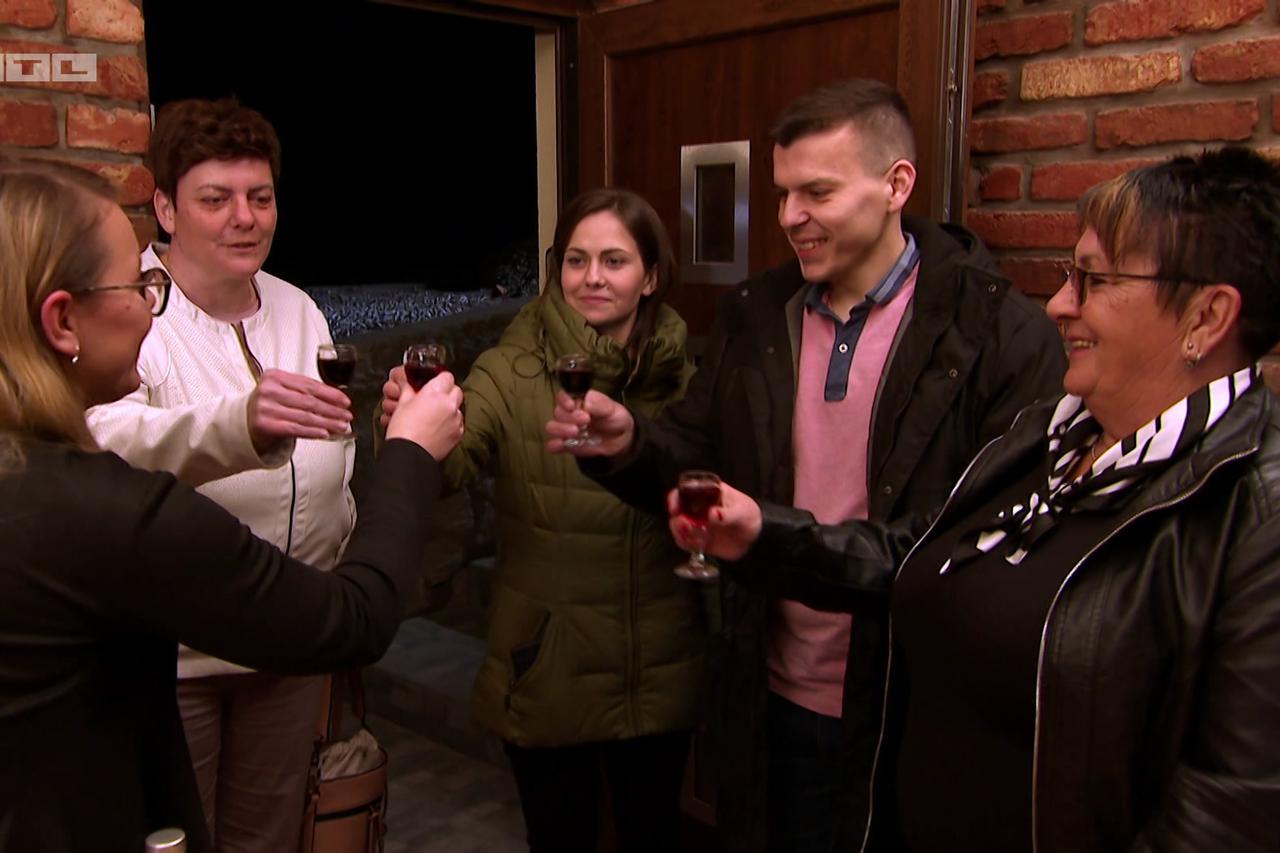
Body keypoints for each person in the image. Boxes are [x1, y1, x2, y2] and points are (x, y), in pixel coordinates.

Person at [670, 146, 1280, 851]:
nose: (1060, 304)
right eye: (1068, 276)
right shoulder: (1046, 436)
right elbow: (914, 553)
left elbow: (1229, 814)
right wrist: (763, 533)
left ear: (1207, 316)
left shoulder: (1253, 515)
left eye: (1094, 280)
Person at [547, 78, 1065, 851]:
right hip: (766, 698)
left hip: (907, 716)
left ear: (896, 185)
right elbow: (694, 456)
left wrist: (771, 537)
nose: (790, 215)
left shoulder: (998, 334)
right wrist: (629, 445)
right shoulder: (757, 314)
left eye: (817, 192)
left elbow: (971, 548)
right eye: (784, 193)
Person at [0, 159, 464, 853]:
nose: (151, 309)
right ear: (63, 321)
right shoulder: (103, 512)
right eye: (138, 286)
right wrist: (411, 452)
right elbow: (354, 619)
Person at [382, 188, 704, 852]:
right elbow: (453, 464)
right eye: (576, 260)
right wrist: (410, 429)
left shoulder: (684, 376)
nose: (592, 277)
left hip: (659, 664)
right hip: (550, 666)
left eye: (614, 260)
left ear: (650, 277)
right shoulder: (510, 368)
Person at [84, 98, 355, 852]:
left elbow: (330, 444)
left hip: (289, 639)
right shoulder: (131, 309)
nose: (245, 218)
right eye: (216, 199)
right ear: (166, 208)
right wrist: (240, 424)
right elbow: (106, 438)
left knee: (269, 840)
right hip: (176, 655)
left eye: (260, 197)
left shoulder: (298, 309)